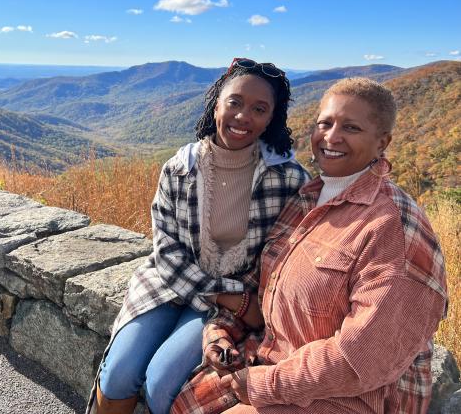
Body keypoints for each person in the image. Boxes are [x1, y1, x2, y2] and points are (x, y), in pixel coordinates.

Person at [171, 78, 448, 414]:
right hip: (276, 363)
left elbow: (359, 360)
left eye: (351, 127)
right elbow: (263, 289)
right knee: (173, 398)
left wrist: (262, 384)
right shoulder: (306, 198)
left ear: (382, 143)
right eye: (325, 123)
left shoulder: (394, 228)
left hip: (350, 396)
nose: (331, 137)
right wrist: (220, 333)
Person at [86, 58, 310, 414]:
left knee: (163, 383)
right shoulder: (180, 168)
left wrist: (245, 304)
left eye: (259, 109)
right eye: (234, 102)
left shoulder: (288, 180)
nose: (242, 116)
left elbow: (289, 257)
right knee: (117, 374)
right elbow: (167, 251)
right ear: (216, 102)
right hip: (172, 286)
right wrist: (232, 298)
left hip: (229, 306)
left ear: (271, 118)